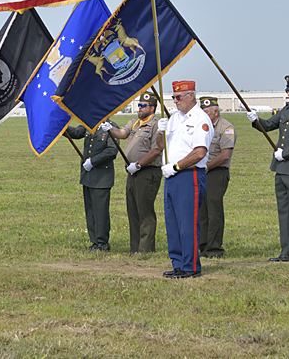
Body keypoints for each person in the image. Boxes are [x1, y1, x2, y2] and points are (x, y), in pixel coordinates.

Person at [247, 75, 289, 262]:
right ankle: (285, 250)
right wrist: (256, 120)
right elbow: (269, 125)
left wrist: (285, 153)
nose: (288, 93)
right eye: (287, 90)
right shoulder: (286, 110)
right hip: (280, 168)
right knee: (283, 211)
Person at [157, 80, 213, 278]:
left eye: (179, 97)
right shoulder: (174, 118)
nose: (175, 101)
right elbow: (161, 145)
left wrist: (176, 166)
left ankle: (191, 266)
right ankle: (178, 263)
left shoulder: (200, 119)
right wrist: (160, 130)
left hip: (189, 175)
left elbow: (199, 153)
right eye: (173, 97)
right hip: (171, 175)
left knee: (188, 222)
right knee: (173, 222)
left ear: (191, 95)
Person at [100, 92, 164, 253]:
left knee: (145, 211)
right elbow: (122, 133)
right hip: (133, 172)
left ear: (152, 108)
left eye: (143, 106)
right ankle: (135, 248)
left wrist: (138, 164)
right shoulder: (135, 122)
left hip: (147, 172)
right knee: (133, 211)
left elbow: (157, 150)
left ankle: (146, 249)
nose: (140, 108)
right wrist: (110, 129)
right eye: (139, 105)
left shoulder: (156, 124)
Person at [65, 120, 119, 251]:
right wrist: (62, 127)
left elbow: (112, 150)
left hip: (101, 176)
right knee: (90, 212)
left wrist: (93, 162)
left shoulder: (111, 127)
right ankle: (94, 242)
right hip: (88, 175)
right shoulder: (90, 124)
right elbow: (76, 133)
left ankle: (102, 243)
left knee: (100, 212)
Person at [198, 96, 236, 258]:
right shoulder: (202, 126)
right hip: (202, 171)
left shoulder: (225, 128)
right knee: (202, 211)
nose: (203, 114)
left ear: (215, 111)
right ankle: (204, 246)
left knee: (214, 211)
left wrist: (206, 167)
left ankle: (214, 248)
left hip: (216, 172)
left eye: (206, 111)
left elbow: (225, 155)